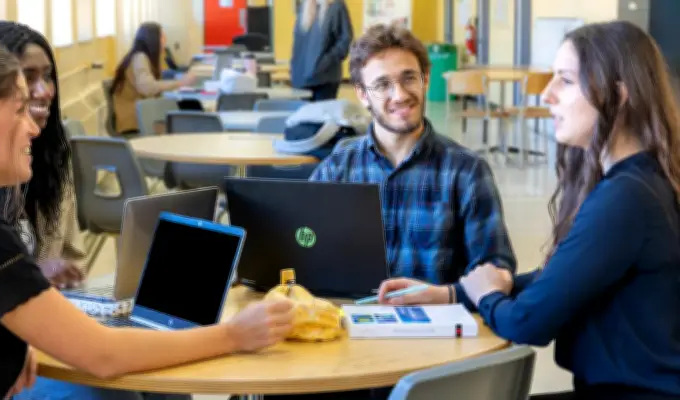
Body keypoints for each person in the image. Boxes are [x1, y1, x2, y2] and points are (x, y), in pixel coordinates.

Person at [0, 39, 294, 399]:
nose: (33, 128)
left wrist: (18, 337)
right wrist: (235, 334)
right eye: (20, 109)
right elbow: (104, 355)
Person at [380, 21, 680, 400]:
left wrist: (488, 297)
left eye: (565, 81)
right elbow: (564, 277)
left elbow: (526, 323)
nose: (547, 95)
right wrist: (454, 294)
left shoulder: (626, 198)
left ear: (618, 96)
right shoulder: (641, 180)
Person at [263, 24, 516, 400]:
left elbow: (498, 273)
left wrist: (444, 293)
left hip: (428, 356)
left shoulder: (466, 171)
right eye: (382, 85)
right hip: (345, 346)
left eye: (408, 78)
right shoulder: (340, 164)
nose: (400, 94)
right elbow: (301, 240)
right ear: (363, 95)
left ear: (425, 80)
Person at [0, 21, 85, 289]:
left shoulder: (53, 152)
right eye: (27, 77)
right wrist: (29, 277)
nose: (44, 91)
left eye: (47, 76)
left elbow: (72, 255)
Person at [111, 22, 197, 136]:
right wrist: (179, 83)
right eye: (162, 36)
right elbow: (147, 87)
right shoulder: (140, 58)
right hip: (134, 121)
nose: (164, 40)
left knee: (188, 109)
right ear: (152, 39)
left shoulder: (142, 57)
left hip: (142, 114)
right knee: (189, 115)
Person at [290, 0, 353, 101]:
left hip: (325, 79)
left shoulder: (337, 7)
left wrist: (326, 61)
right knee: (303, 116)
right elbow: (297, 44)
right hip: (301, 80)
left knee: (321, 116)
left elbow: (345, 40)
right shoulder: (304, 8)